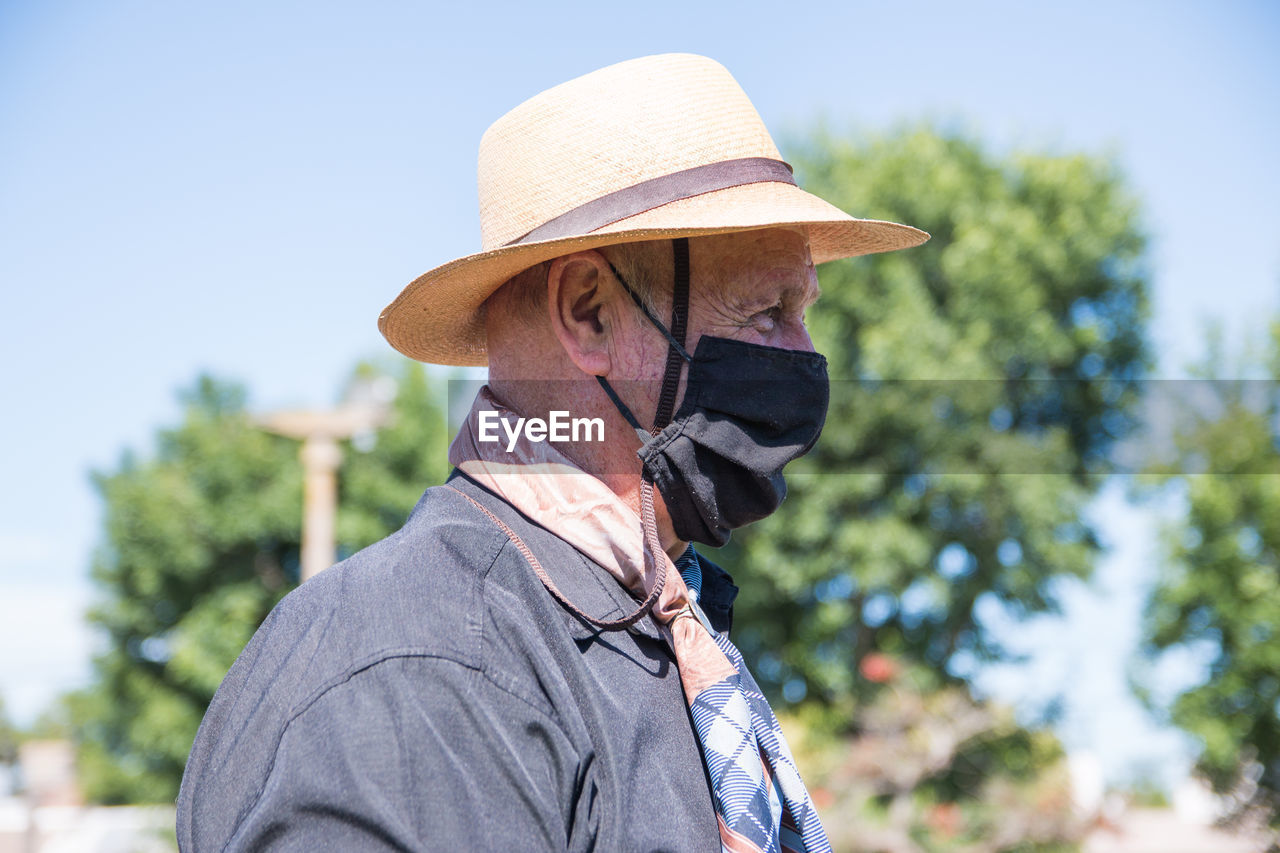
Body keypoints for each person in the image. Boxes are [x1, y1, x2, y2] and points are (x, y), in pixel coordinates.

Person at [176, 53, 927, 852]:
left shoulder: (643, 631)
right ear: (588, 310)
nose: (805, 358)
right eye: (765, 311)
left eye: (801, 311)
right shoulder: (430, 666)